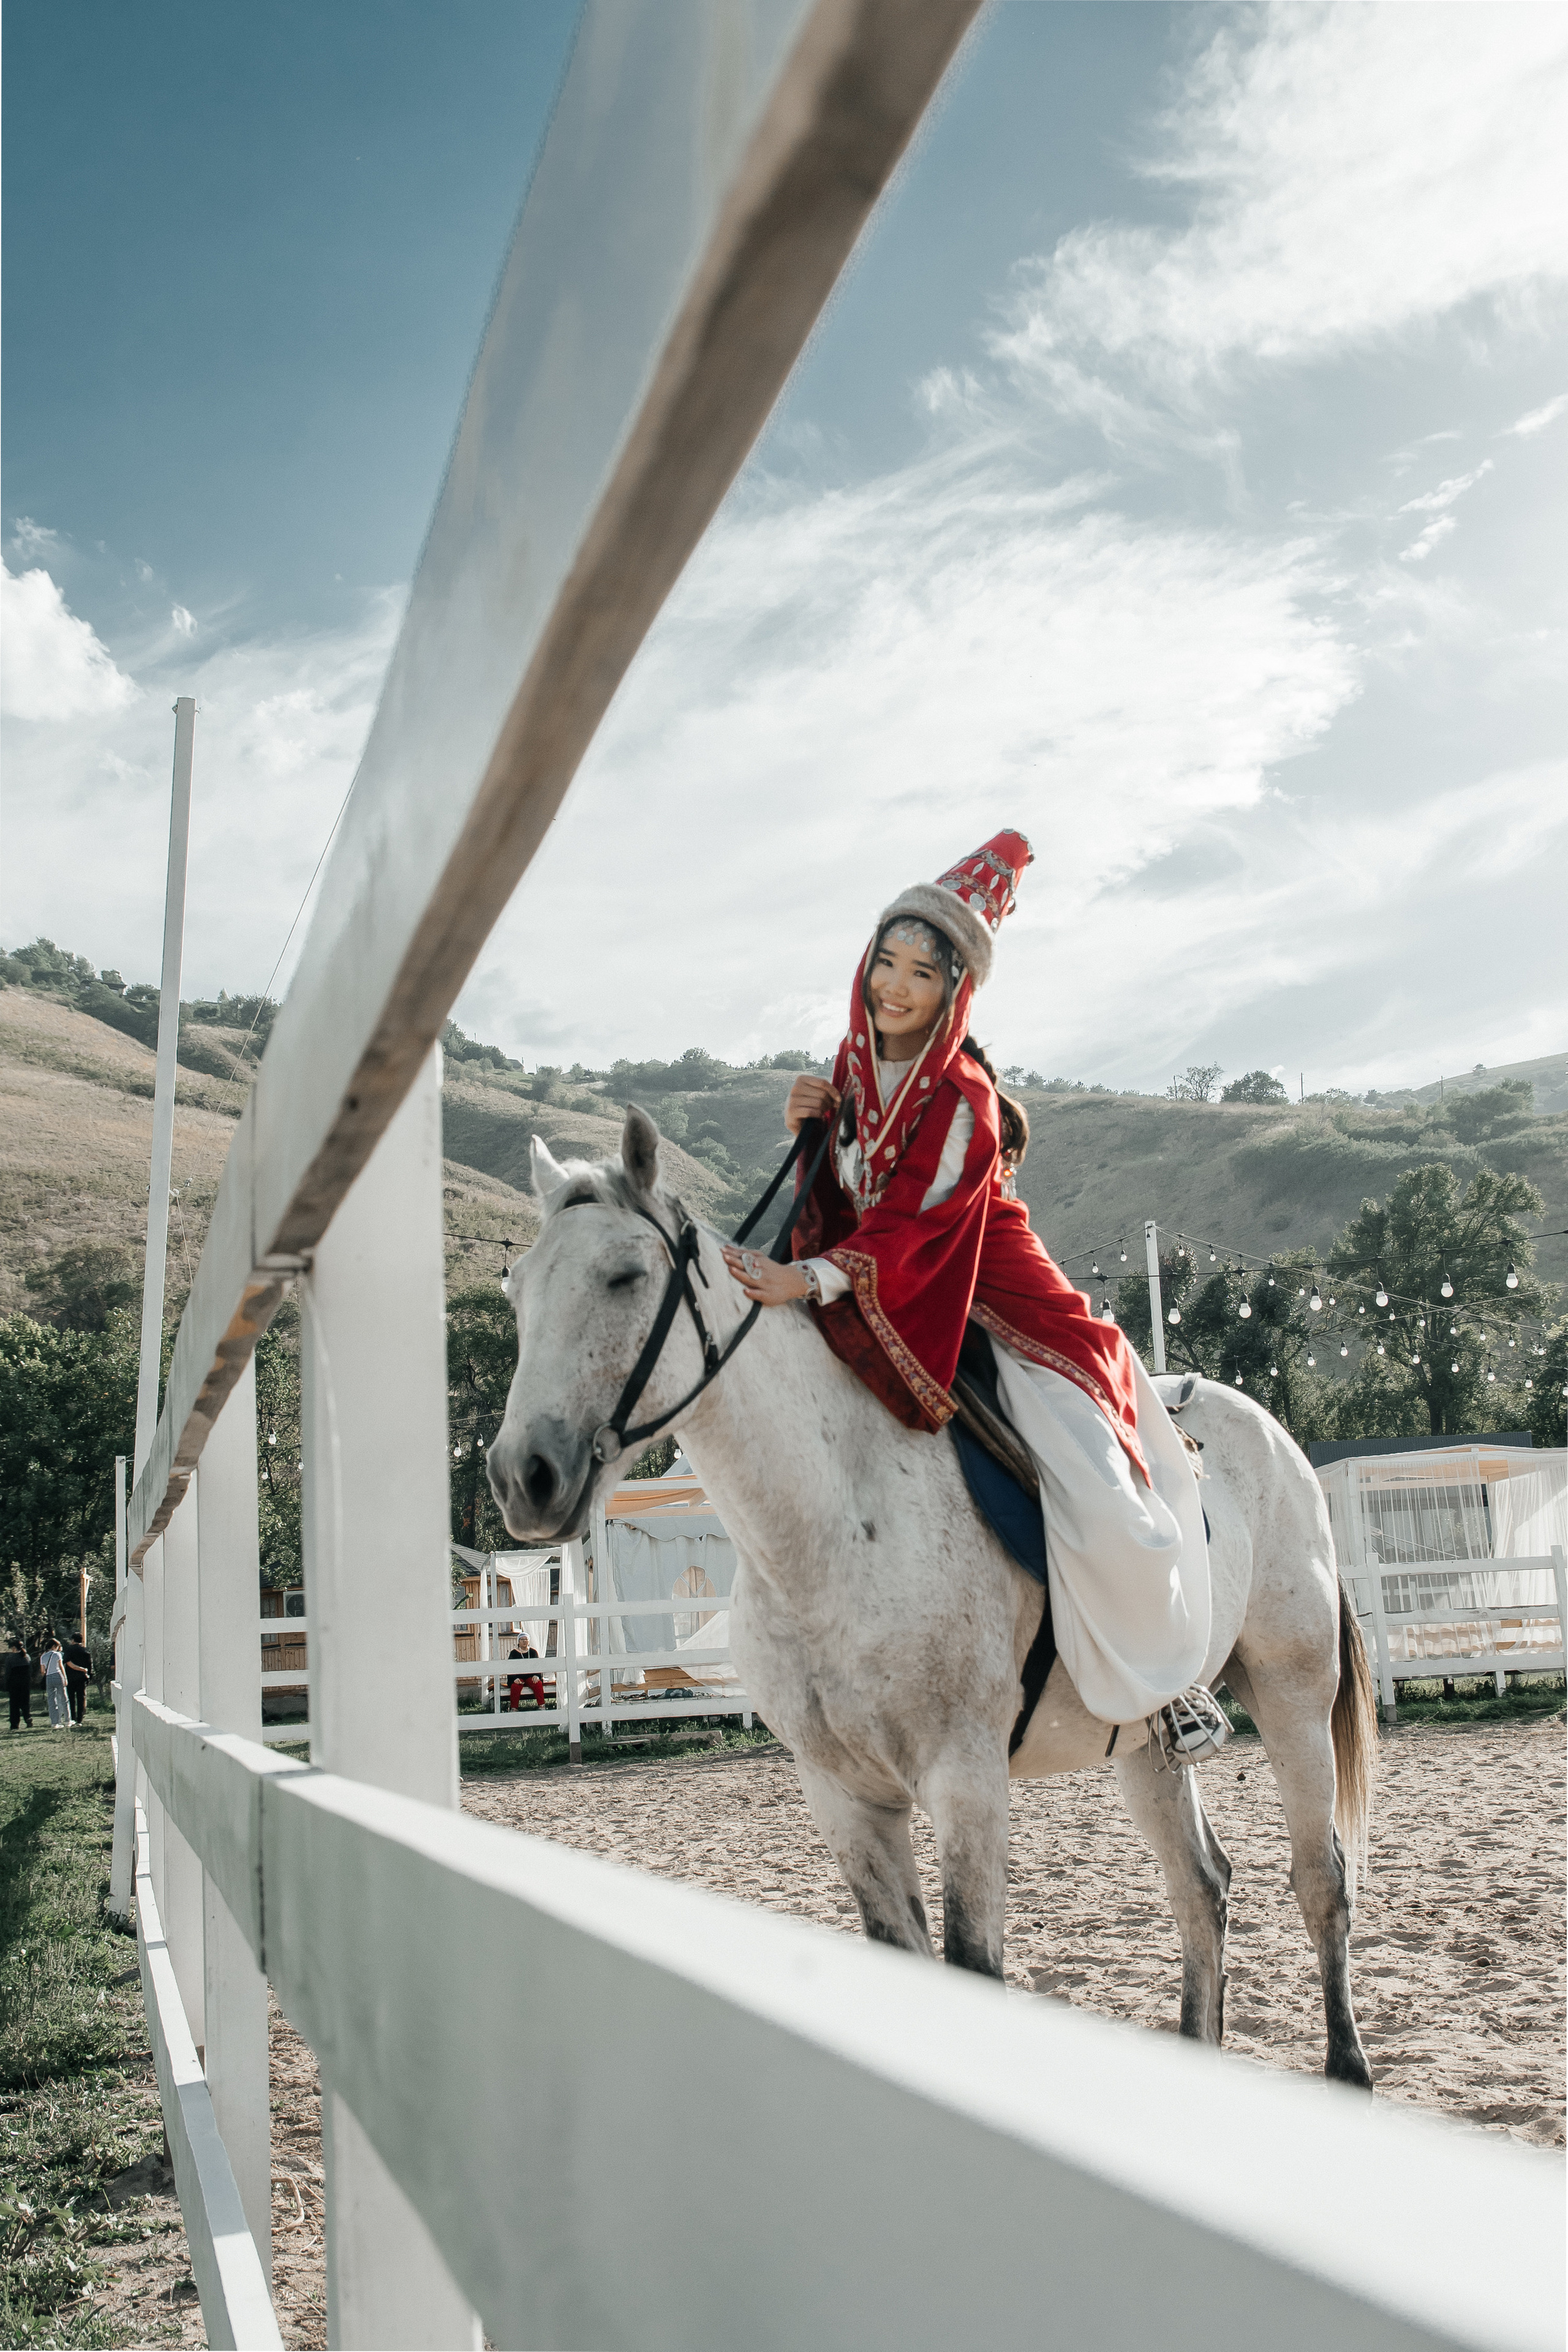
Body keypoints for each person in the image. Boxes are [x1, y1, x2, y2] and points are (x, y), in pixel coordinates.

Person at [720, 827, 1225, 1760]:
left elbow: (917, 1216)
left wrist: (808, 1277)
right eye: (887, 961)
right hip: (896, 1291)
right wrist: (813, 1133)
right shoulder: (850, 1069)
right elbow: (851, 1199)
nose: (895, 986)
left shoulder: (963, 1092)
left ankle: (1164, 1682)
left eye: (921, 973)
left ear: (953, 990)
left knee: (1095, 1484)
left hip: (993, 1291)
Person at [41, 1635, 71, 1730]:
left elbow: (42, 1671)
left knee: (52, 1700)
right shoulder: (57, 1654)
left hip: (49, 1677)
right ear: (54, 1646)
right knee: (64, 1698)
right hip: (58, 1675)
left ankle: (55, 1722)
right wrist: (65, 1678)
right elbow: (61, 1666)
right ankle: (68, 1720)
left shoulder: (43, 1656)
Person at [4, 1636, 31, 1732]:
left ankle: (15, 1724)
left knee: (14, 1704)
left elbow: (8, 1673)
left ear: (14, 1648)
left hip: (14, 1684)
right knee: (25, 1702)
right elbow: (30, 1671)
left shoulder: (10, 1658)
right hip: (25, 1683)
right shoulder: (27, 1657)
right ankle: (28, 1718)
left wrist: (6, 1684)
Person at [62, 1635, 92, 1725]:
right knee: (81, 1698)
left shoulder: (69, 1649)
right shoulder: (85, 1650)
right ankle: (80, 1719)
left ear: (73, 1640)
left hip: (71, 1677)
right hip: (82, 1677)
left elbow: (65, 1661)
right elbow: (90, 1664)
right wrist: (89, 1674)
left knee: (71, 1698)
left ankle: (73, 1718)